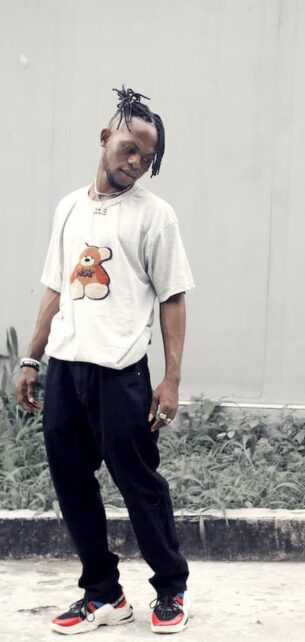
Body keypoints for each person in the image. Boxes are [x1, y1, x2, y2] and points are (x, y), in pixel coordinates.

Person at [16, 86, 195, 635]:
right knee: (72, 483)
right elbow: (56, 288)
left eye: (147, 156)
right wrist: (31, 359)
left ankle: (171, 588)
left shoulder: (155, 216)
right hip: (67, 369)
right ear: (105, 138)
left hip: (122, 373)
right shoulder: (69, 207)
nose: (135, 161)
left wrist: (171, 380)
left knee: (139, 483)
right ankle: (103, 595)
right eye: (129, 147)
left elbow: (173, 298)